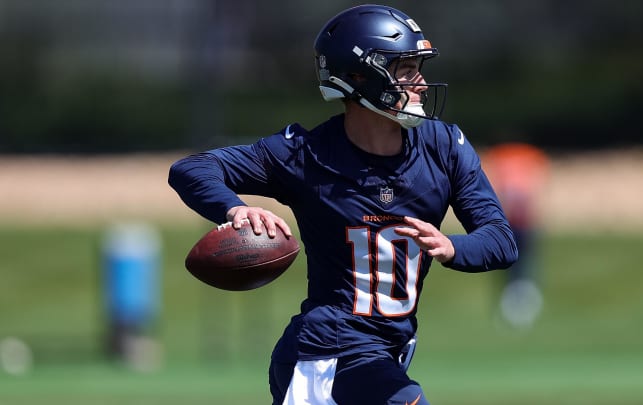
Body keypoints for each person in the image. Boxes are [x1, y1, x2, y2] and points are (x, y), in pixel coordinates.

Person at [169, 5, 517, 404]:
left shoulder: (444, 148)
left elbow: (501, 240)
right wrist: (234, 208)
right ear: (359, 77)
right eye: (405, 70)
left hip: (385, 351)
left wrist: (454, 246)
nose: (420, 83)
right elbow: (192, 169)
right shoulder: (306, 153)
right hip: (326, 354)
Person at [481, 143, 549, 329]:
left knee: (523, 268)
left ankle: (523, 307)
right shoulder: (504, 157)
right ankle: (510, 307)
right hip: (507, 223)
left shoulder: (528, 157)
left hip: (522, 223)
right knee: (508, 269)